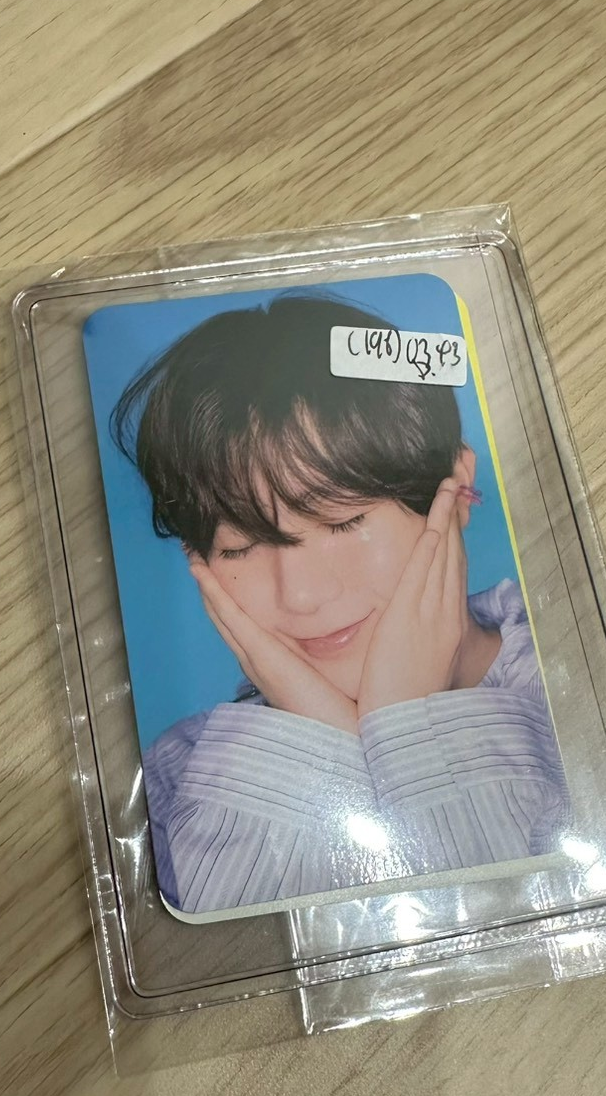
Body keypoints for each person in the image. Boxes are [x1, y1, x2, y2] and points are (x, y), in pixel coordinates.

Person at [113, 294, 569, 914]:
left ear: (458, 488)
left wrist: (408, 733)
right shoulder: (174, 781)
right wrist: (327, 744)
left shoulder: (581, 685)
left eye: (344, 521)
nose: (300, 594)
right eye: (239, 547)